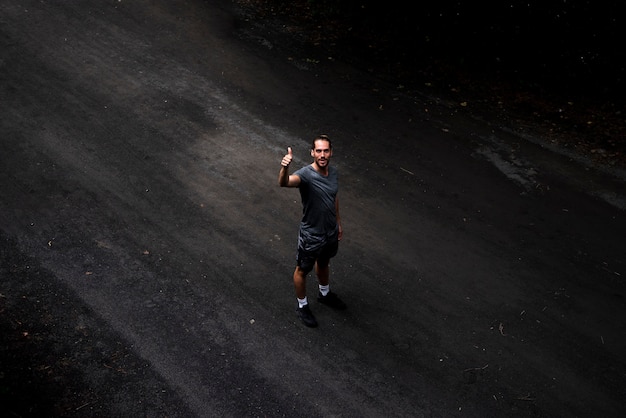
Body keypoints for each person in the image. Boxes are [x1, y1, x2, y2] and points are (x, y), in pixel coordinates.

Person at [278, 134, 347, 327]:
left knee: (324, 262)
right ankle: (302, 306)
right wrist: (284, 167)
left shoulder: (333, 173)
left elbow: (334, 198)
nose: (322, 154)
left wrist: (338, 222)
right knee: (302, 270)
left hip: (330, 231)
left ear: (331, 152)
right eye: (319, 151)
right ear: (312, 153)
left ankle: (324, 294)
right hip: (312, 235)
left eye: (326, 151)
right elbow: (284, 182)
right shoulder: (306, 175)